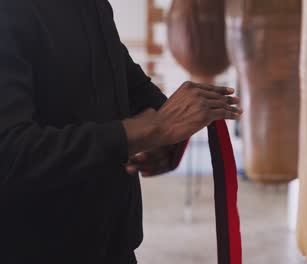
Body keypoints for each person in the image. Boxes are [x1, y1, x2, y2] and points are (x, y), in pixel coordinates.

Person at [0, 0, 242, 263]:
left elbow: (129, 85)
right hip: (34, 247)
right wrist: (146, 131)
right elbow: (10, 151)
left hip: (113, 242)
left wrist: (163, 131)